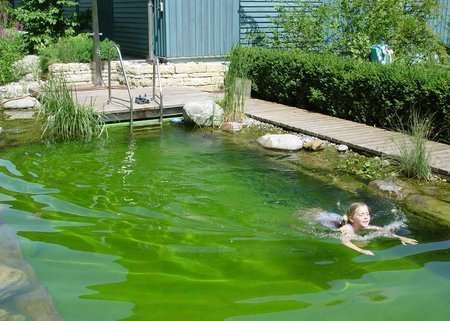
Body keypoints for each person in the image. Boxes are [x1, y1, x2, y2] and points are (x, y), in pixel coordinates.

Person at [339, 202, 418, 256]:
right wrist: (362, 251)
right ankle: (344, 217)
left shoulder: (367, 227)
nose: (366, 217)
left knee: (363, 242)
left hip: (352, 223)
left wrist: (400, 237)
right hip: (334, 223)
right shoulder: (348, 229)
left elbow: (383, 231)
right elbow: (345, 242)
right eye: (361, 214)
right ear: (352, 219)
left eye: (367, 214)